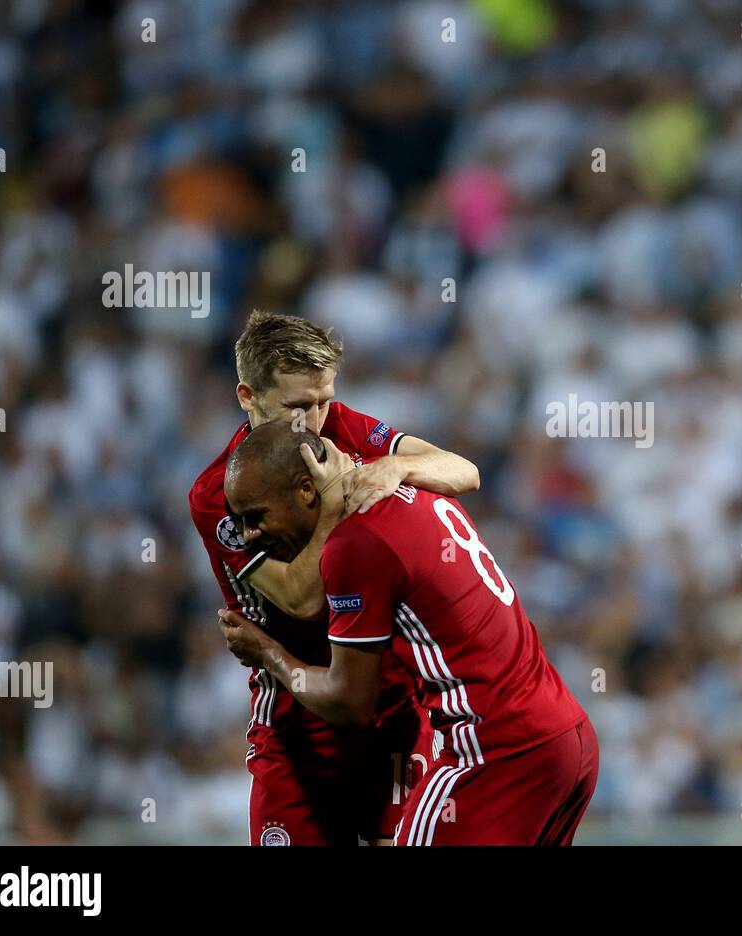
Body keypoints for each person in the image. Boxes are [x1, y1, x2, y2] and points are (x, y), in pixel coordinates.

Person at [219, 424, 599, 845]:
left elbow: (349, 701)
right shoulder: (419, 491)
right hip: (567, 738)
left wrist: (268, 653)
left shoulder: (353, 544)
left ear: (307, 489)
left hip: (493, 752)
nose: (250, 535)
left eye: (257, 516)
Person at [188, 310, 480, 845]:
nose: (317, 421)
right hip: (297, 719)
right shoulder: (220, 495)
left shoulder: (342, 425)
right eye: (299, 407)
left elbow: (465, 471)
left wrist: (396, 467)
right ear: (248, 396)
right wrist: (333, 507)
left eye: (324, 399)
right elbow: (300, 598)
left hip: (392, 713)